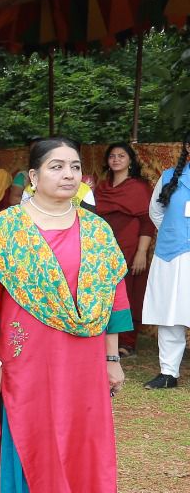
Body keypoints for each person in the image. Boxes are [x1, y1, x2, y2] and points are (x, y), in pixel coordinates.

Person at [0, 138, 129, 493]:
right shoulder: (4, 231)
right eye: (56, 166)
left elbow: (113, 296)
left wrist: (112, 359)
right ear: (33, 177)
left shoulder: (97, 231)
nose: (68, 174)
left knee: (77, 435)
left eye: (74, 166)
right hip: (25, 355)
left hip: (83, 355)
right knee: (25, 436)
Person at [91, 143, 154, 357]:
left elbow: (147, 222)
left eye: (121, 156)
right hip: (102, 247)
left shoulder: (139, 187)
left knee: (127, 292)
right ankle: (101, 338)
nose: (116, 159)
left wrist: (141, 252)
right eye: (112, 156)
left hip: (130, 247)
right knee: (102, 291)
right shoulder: (101, 187)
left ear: (130, 161)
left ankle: (127, 342)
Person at [143, 131, 190, 390]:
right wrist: (175, 233)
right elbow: (156, 211)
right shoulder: (170, 176)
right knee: (170, 313)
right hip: (173, 253)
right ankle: (169, 373)